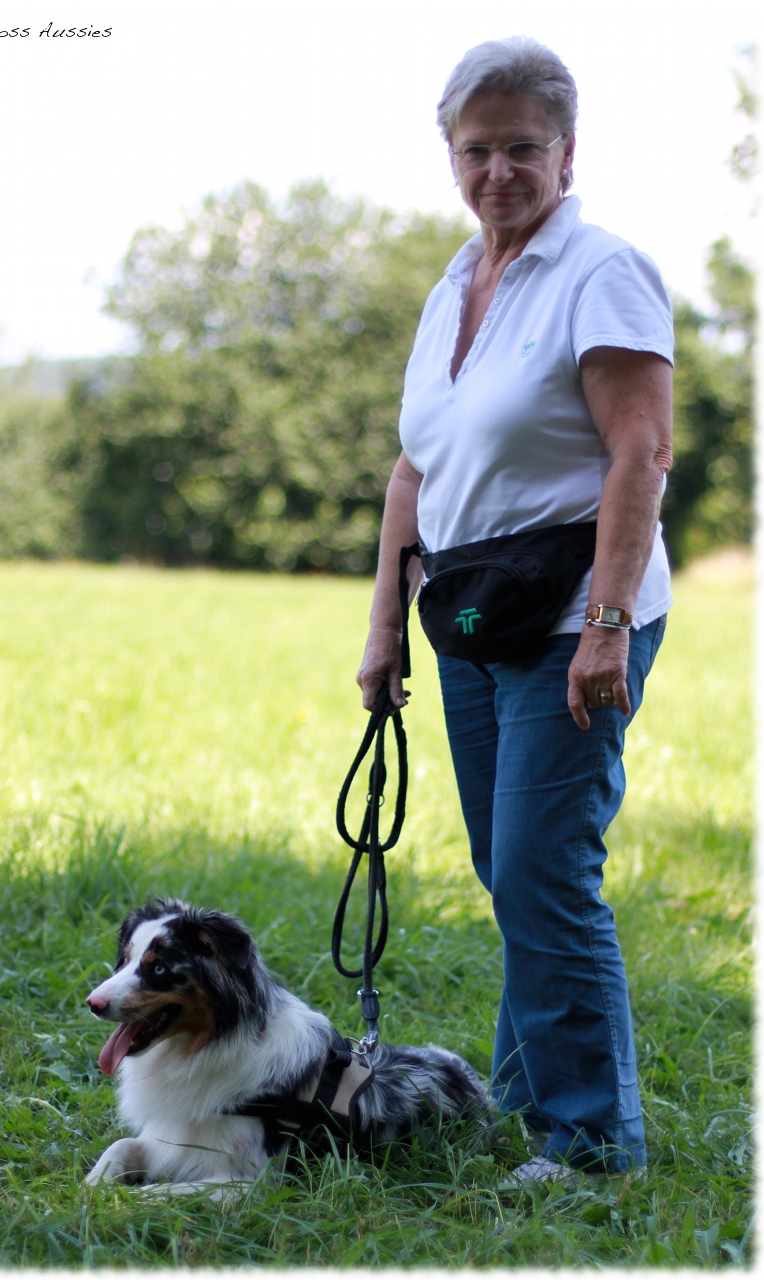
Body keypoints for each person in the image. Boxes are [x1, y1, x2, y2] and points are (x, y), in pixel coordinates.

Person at [357, 36, 673, 1185]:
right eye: (477, 149)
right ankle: (531, 1100)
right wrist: (385, 624)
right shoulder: (452, 282)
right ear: (450, 155)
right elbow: (413, 471)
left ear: (567, 150)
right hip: (474, 618)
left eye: (522, 148)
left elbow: (639, 449)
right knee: (510, 866)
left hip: (574, 620)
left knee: (544, 868)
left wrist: (605, 619)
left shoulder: (600, 269)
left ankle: (590, 1149)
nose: (498, 171)